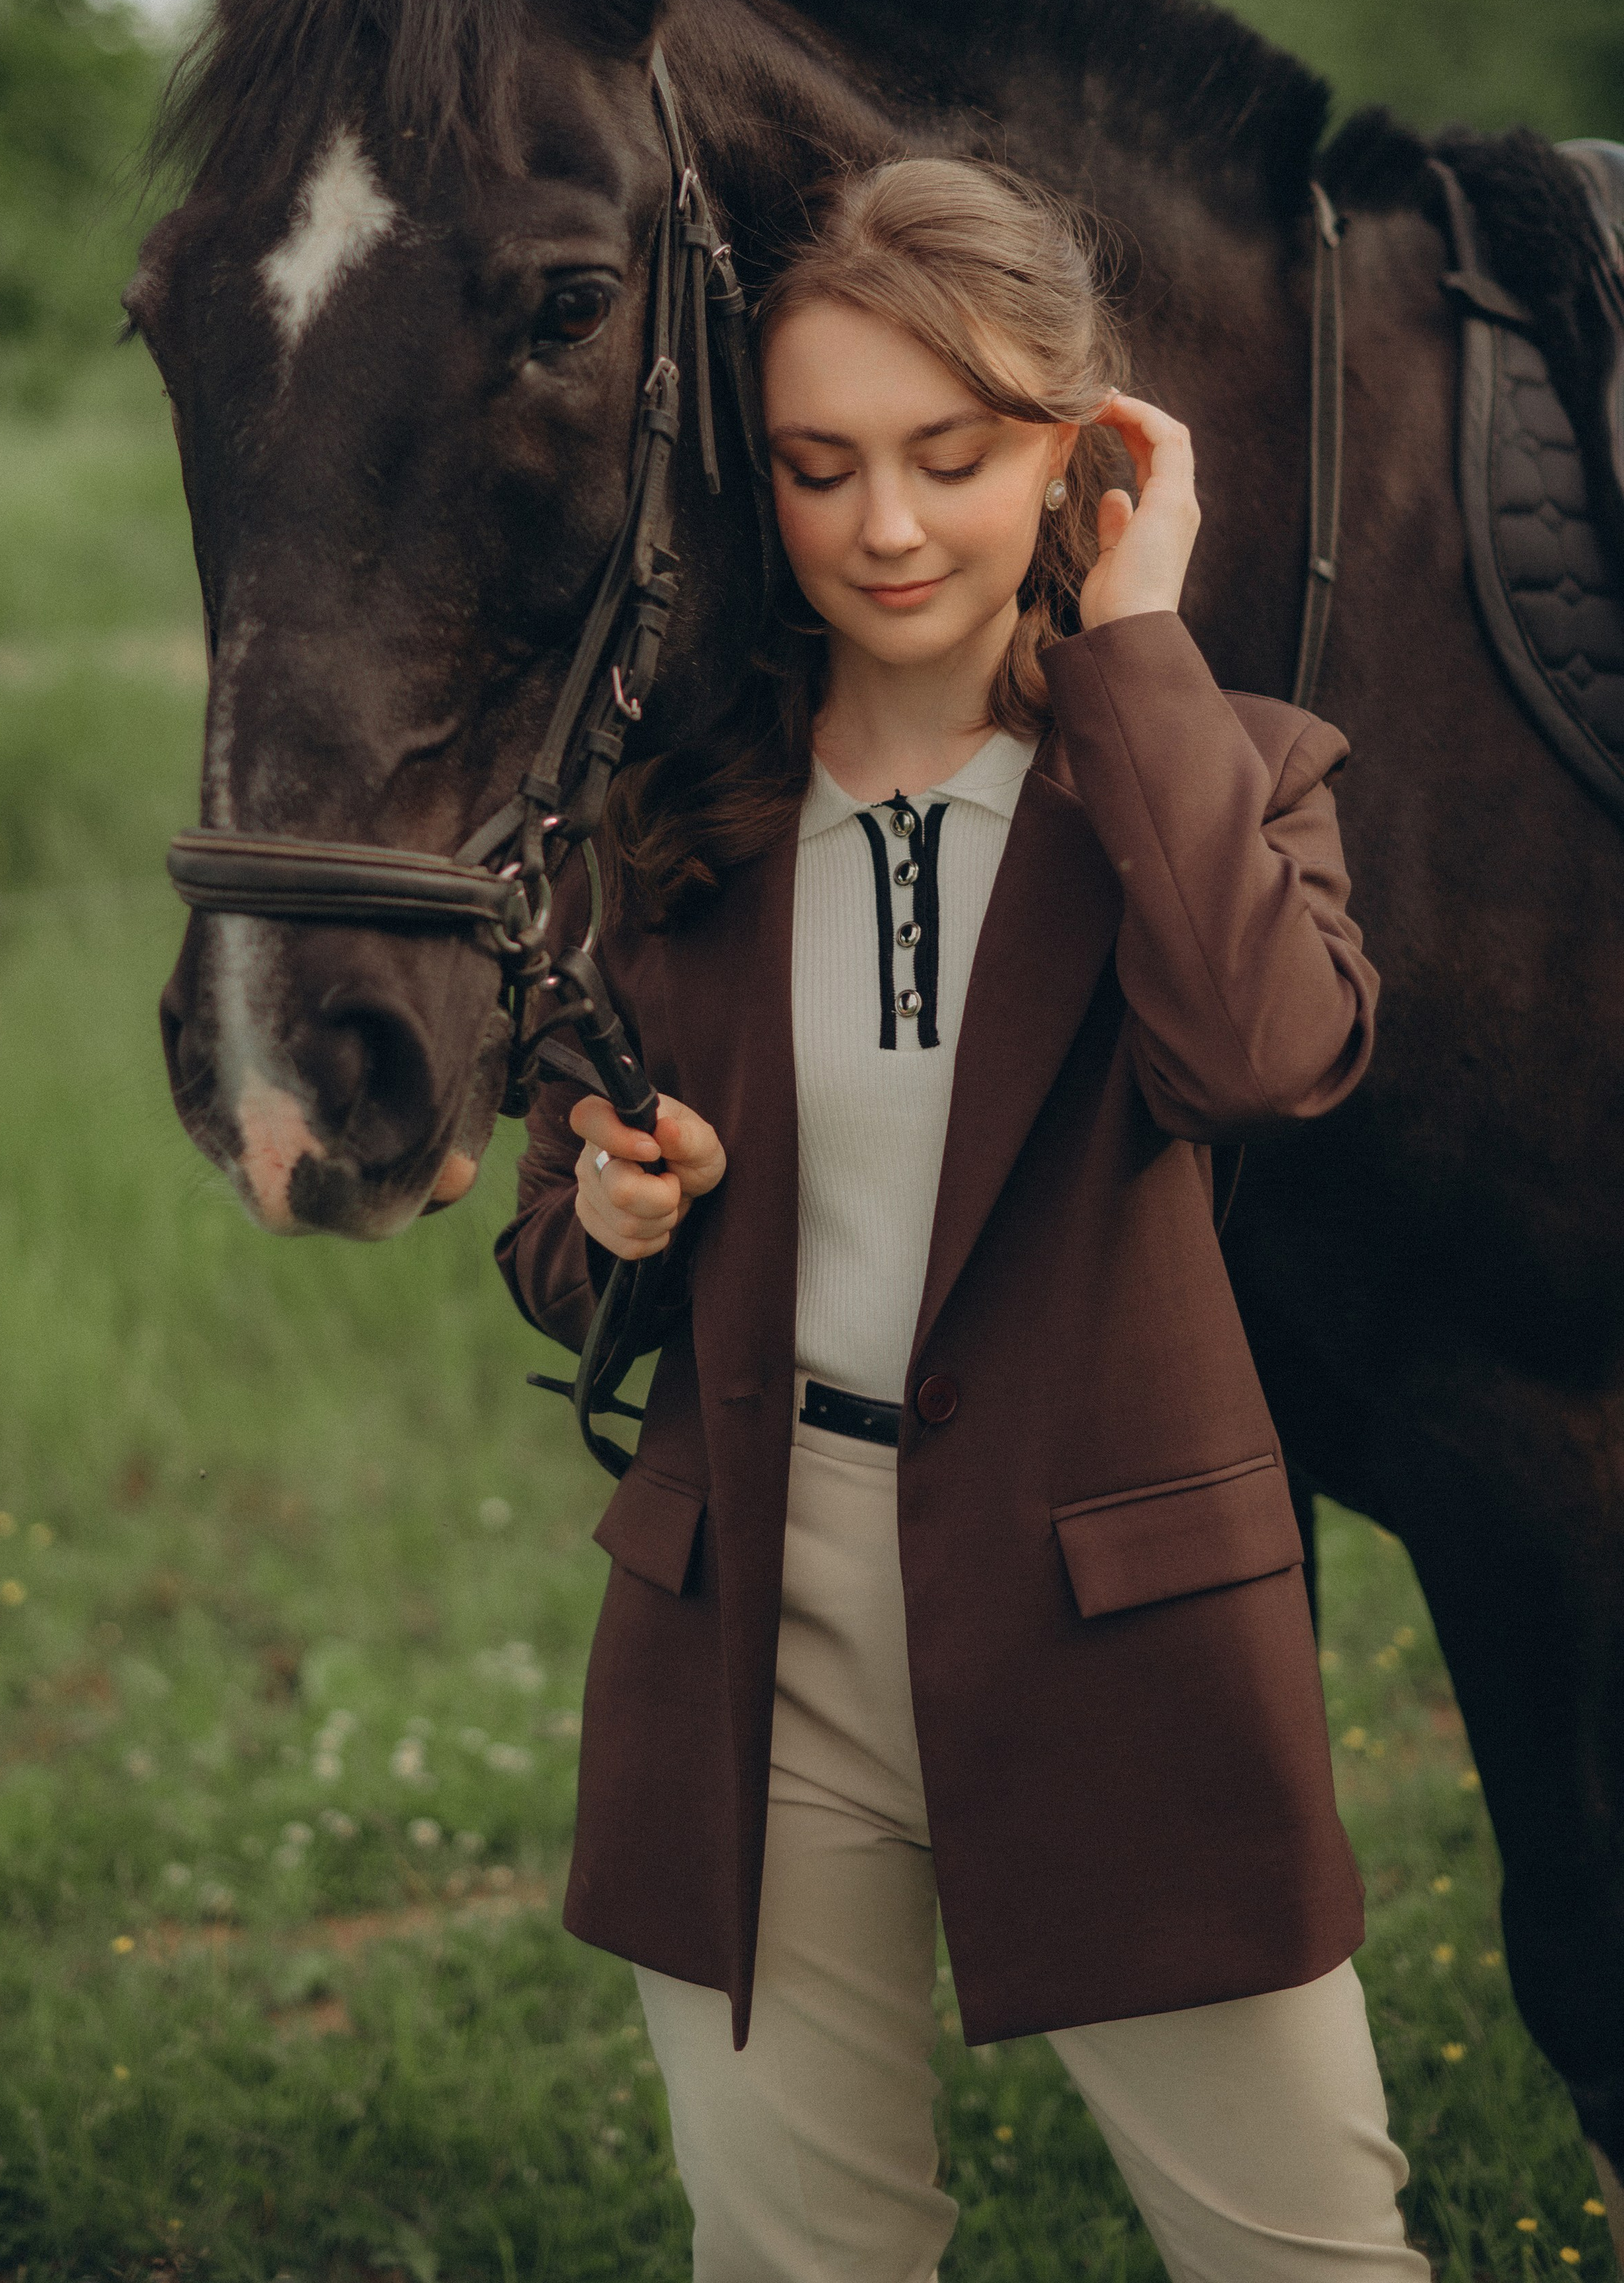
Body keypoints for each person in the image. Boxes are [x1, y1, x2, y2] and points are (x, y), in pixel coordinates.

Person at [496, 157, 1424, 2283]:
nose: (888, 529)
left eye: (954, 455)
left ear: (1076, 459)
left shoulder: (1215, 775)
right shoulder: (672, 823)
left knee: (1307, 2258)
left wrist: (1146, 642)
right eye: (823, 469)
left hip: (1120, 1620)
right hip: (753, 1625)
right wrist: (617, 1213)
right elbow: (556, 1239)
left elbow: (1266, 1062)